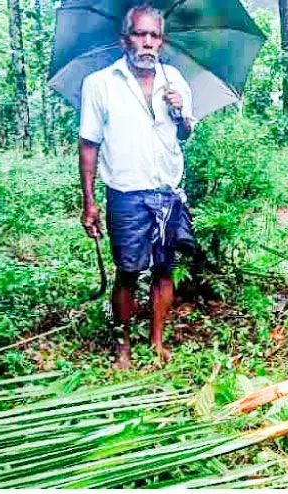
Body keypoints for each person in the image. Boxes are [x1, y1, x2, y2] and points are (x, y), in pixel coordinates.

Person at [78, 4, 196, 370]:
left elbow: (185, 134)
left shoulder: (175, 81)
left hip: (168, 192)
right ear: (125, 38)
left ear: (162, 41)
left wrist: (180, 113)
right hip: (126, 193)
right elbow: (88, 143)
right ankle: (123, 346)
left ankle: (157, 341)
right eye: (140, 34)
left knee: (164, 269)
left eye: (155, 35)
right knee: (128, 271)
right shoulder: (99, 83)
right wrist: (90, 202)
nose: (148, 42)